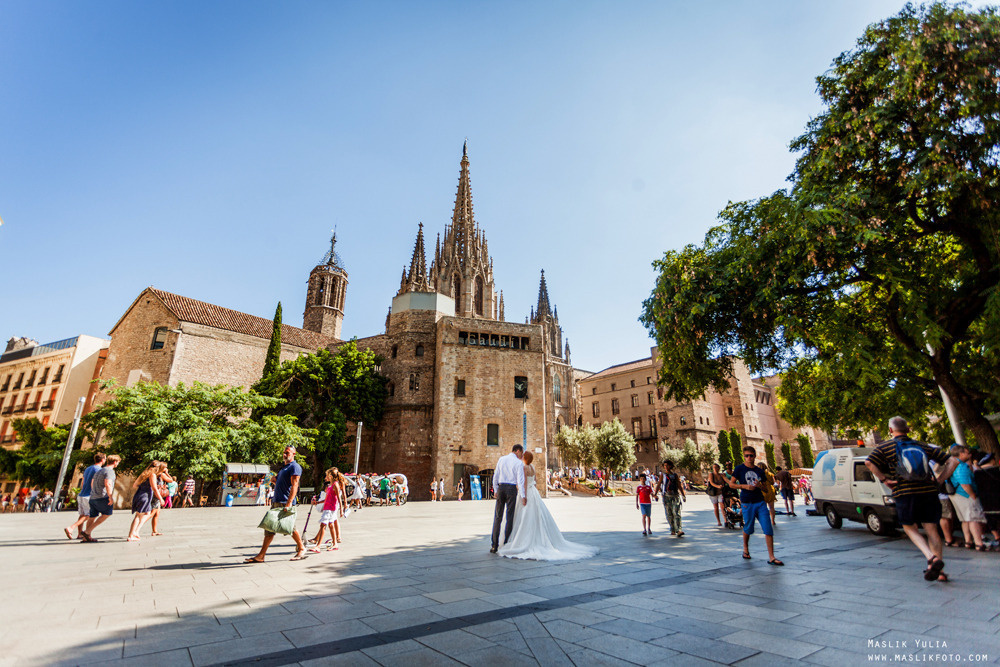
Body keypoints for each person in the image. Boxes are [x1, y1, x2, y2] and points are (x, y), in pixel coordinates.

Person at [865, 416, 956, 582]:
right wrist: (939, 481)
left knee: (909, 527)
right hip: (928, 492)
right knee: (932, 530)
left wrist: (884, 480)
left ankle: (931, 558)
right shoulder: (923, 446)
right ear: (908, 429)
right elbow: (953, 461)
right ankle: (940, 572)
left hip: (905, 493)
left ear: (890, 430)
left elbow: (869, 463)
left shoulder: (885, 447)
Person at [499, 452, 598, 560]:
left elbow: (524, 483)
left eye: (523, 456)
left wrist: (524, 496)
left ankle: (523, 539)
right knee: (536, 514)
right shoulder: (532, 467)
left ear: (525, 458)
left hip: (528, 492)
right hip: (534, 492)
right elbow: (535, 481)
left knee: (525, 516)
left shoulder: (524, 467)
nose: (522, 457)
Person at [245, 446, 305, 563]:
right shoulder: (284, 468)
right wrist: (274, 480)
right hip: (276, 501)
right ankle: (261, 555)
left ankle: (302, 548)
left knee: (290, 527)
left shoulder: (295, 467)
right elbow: (281, 482)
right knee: (269, 528)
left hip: (285, 502)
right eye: (284, 452)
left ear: (294, 454)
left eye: (287, 452)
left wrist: (289, 503)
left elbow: (295, 485)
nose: (285, 454)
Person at [729, 446, 783, 565]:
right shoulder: (739, 469)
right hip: (747, 503)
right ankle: (745, 549)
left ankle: (772, 557)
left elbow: (766, 489)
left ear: (755, 456)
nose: (749, 458)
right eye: (747, 456)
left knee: (768, 528)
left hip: (760, 502)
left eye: (751, 455)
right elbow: (731, 484)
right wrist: (744, 486)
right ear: (744, 456)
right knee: (748, 528)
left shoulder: (759, 471)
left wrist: (760, 486)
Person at [948, 444, 988, 551]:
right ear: (961, 454)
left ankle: (968, 541)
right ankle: (979, 543)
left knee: (965, 520)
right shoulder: (961, 466)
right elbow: (965, 484)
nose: (969, 454)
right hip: (965, 495)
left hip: (955, 494)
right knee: (973, 518)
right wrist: (973, 495)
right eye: (967, 452)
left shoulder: (951, 464)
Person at [491, 444, 526, 553]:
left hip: (501, 488)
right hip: (511, 489)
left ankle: (494, 545)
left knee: (498, 517)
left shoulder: (501, 459)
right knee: (509, 517)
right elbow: (520, 481)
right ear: (517, 451)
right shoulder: (518, 463)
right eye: (521, 452)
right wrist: (523, 496)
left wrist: (495, 490)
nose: (522, 455)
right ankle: (506, 543)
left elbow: (495, 476)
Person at [65, 453, 105, 540]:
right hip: (89, 495)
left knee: (82, 514)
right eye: (105, 459)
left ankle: (80, 534)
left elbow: (83, 482)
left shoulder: (88, 468)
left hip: (82, 494)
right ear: (102, 460)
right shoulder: (99, 470)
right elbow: (94, 483)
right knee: (89, 515)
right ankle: (71, 528)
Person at [84, 455, 121, 542]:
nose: (118, 464)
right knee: (107, 514)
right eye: (118, 462)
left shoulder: (99, 470)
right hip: (102, 497)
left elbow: (92, 482)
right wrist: (110, 497)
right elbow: (108, 484)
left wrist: (94, 492)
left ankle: (86, 537)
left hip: (93, 497)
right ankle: (87, 531)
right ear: (115, 462)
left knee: (92, 516)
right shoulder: (110, 471)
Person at [309, 467, 346, 553]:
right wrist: (318, 502)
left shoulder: (335, 485)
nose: (326, 477)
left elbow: (338, 498)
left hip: (330, 508)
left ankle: (318, 546)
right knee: (331, 525)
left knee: (323, 525)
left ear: (330, 476)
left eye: (327, 475)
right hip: (328, 507)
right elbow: (327, 498)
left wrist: (341, 509)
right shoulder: (330, 485)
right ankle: (335, 544)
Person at [127, 461, 163, 542]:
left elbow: (135, 485)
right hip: (145, 496)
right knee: (138, 515)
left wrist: (143, 486)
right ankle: (131, 535)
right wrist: (160, 498)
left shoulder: (144, 473)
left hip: (139, 494)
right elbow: (154, 488)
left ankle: (135, 532)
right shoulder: (152, 475)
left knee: (146, 513)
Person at [973, 454, 1000, 548]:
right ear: (992, 460)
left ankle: (997, 537)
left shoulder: (976, 473)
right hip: (998, 497)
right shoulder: (997, 470)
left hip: (985, 500)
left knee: (991, 519)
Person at [657, 460, 686, 537]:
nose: (666, 467)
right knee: (669, 513)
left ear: (670, 466)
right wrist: (655, 494)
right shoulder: (663, 475)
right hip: (666, 496)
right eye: (664, 465)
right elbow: (659, 484)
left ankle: (679, 530)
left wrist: (683, 495)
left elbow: (679, 485)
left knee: (676, 513)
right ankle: (672, 528)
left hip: (675, 496)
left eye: (667, 465)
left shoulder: (675, 475)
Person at [149, 463, 173, 536]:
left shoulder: (154, 474)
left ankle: (154, 531)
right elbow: (171, 480)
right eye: (165, 467)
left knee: (156, 513)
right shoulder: (161, 475)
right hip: (157, 495)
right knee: (152, 513)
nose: (166, 469)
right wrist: (167, 473)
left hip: (153, 494)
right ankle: (137, 525)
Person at [706, 463, 726, 527]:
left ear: (719, 468)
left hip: (720, 492)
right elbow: (711, 482)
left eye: (716, 467)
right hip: (713, 493)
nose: (715, 469)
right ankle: (718, 521)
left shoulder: (722, 475)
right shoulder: (711, 474)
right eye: (714, 467)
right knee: (716, 507)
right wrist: (718, 486)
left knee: (722, 506)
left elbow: (724, 482)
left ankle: (725, 520)